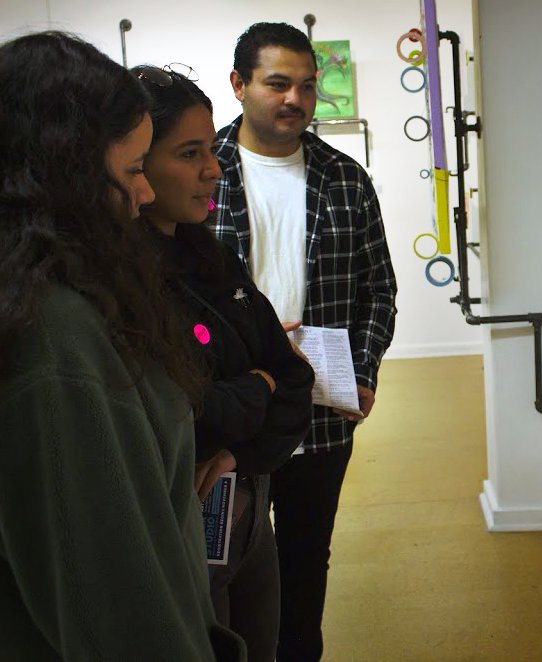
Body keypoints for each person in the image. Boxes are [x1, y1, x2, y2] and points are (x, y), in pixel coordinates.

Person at [0, 32, 245, 661]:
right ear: (67, 174)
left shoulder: (64, 297)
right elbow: (116, 605)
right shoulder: (56, 342)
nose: (144, 193)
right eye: (134, 169)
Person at [212, 22, 398, 660]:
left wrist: (364, 371)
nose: (295, 99)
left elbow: (379, 289)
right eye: (278, 83)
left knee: (304, 559)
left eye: (307, 86)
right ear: (239, 84)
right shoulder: (203, 174)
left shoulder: (345, 179)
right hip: (228, 408)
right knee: (220, 564)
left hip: (320, 406)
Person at [134, 64, 316, 662]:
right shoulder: (120, 284)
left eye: (209, 150)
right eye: (189, 154)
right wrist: (257, 386)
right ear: (134, 162)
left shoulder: (212, 260)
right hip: (182, 526)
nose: (213, 169)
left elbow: (294, 377)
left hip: (244, 511)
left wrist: (238, 449)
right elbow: (187, 414)